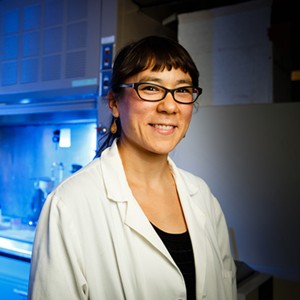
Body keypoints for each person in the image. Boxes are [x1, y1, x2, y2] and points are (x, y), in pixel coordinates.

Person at [28, 35, 237, 300]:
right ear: (114, 103)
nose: (170, 106)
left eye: (183, 90)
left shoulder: (202, 195)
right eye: (150, 88)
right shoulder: (69, 205)